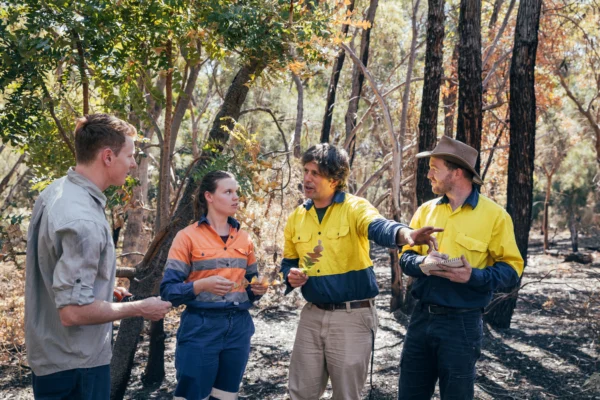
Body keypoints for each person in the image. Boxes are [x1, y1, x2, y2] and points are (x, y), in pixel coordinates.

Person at [25, 114, 172, 400]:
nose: (132, 163)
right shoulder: (84, 220)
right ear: (107, 156)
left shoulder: (55, 193)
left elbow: (58, 274)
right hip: (76, 367)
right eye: (129, 155)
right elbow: (73, 312)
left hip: (51, 358)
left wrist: (102, 289)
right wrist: (140, 308)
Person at [281, 143, 442, 400]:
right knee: (299, 393)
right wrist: (290, 276)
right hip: (310, 317)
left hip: (351, 317)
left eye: (315, 173)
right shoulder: (297, 217)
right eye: (306, 171)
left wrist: (408, 235)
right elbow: (288, 263)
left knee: (347, 395)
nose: (307, 178)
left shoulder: (355, 208)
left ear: (335, 179)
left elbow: (380, 227)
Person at [397, 136, 524, 400]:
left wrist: (473, 276)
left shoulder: (495, 216)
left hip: (462, 324)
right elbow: (405, 257)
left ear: (456, 172)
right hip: (420, 319)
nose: (428, 174)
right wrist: (423, 264)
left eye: (435, 167)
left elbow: (512, 270)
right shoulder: (425, 211)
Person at [160, 170, 268, 400]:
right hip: (201, 328)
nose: (235, 197)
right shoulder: (186, 237)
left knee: (225, 396)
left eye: (236, 192)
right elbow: (168, 291)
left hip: (238, 328)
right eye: (228, 192)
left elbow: (249, 287)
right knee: (193, 396)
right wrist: (201, 285)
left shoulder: (244, 239)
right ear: (209, 196)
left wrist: (257, 290)